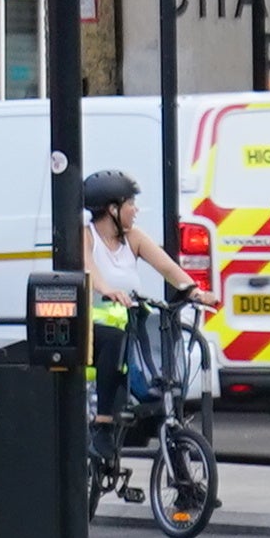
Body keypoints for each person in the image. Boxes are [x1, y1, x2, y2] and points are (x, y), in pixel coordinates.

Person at [78, 167, 196, 414]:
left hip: (131, 324)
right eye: (131, 203)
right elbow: (89, 270)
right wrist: (107, 290)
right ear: (112, 209)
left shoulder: (133, 237)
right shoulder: (86, 237)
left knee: (162, 331)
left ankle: (163, 406)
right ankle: (103, 422)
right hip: (92, 330)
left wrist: (194, 291)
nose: (136, 210)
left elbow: (168, 268)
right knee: (114, 341)